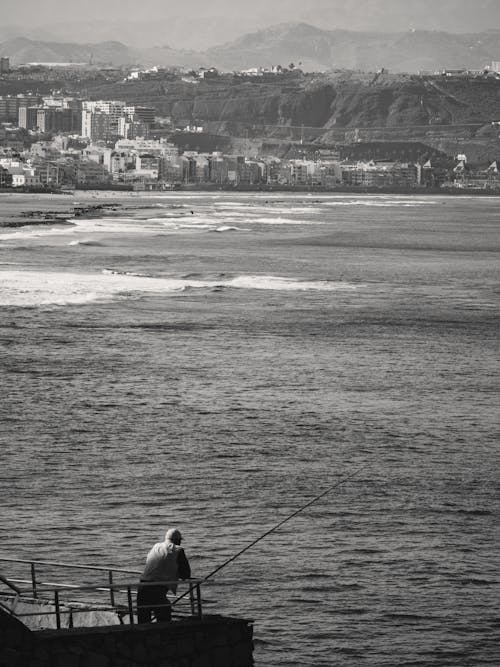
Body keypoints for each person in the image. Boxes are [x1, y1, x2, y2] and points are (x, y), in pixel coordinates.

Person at [137, 528, 191, 623]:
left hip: (142, 586)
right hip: (157, 588)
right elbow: (186, 574)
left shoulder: (156, 546)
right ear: (177, 540)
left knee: (143, 621)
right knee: (164, 619)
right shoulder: (178, 550)